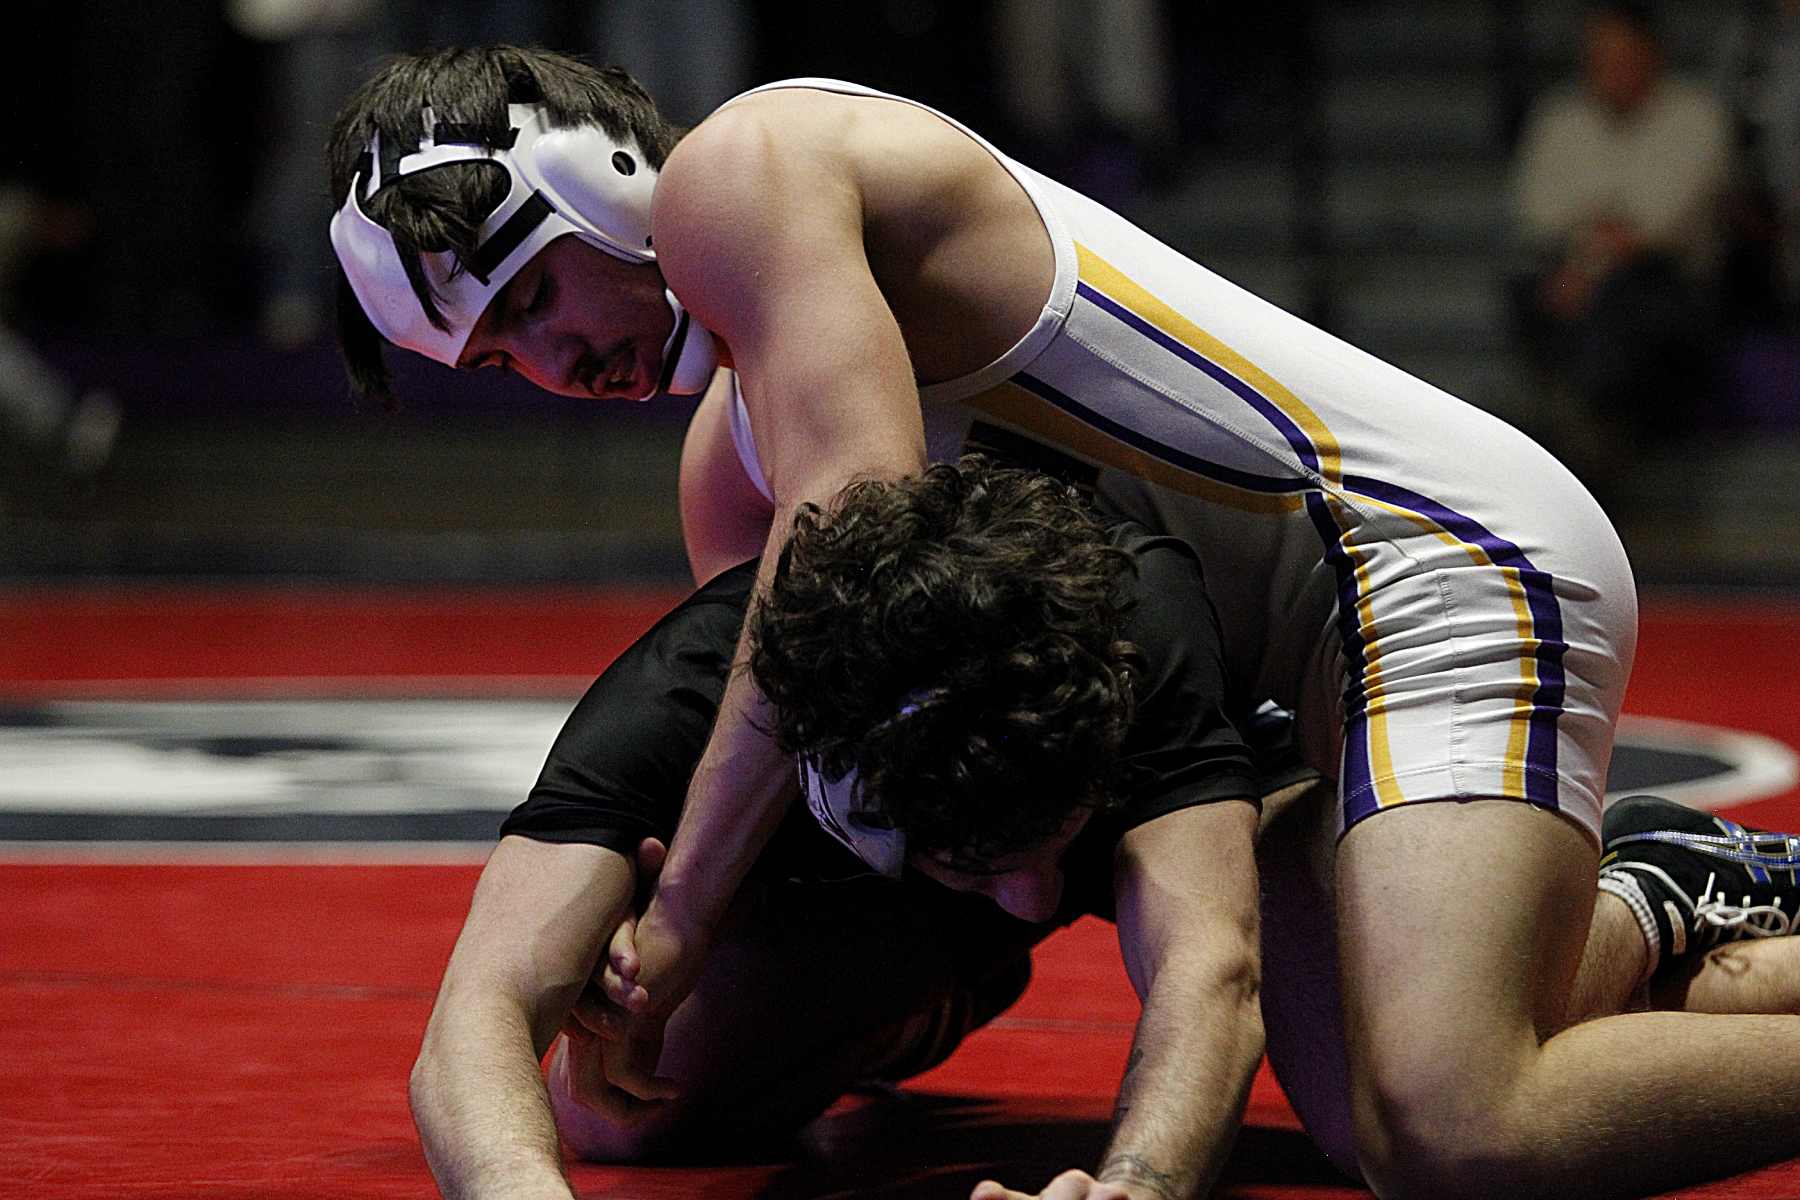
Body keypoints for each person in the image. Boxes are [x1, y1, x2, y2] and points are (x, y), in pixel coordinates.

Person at [328, 46, 1793, 1198]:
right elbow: (846, 772)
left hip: (1428, 563)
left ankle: (1644, 884)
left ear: (602, 179)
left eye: (535, 294)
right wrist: (740, 1000)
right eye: (498, 356)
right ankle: (1656, 906)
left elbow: (851, 544)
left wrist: (679, 922)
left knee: (1452, 1123)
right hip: (1247, 688)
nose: (553, 360)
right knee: (1366, 1103)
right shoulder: (733, 462)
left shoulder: (750, 164)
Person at [417, 459, 1800, 1200]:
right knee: (620, 1111)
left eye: (1046, 850)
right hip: (878, 920)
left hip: (1241, 810)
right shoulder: (691, 698)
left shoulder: (1127, 619)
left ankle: (1646, 885)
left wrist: (1135, 1185)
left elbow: (1208, 965)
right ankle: (903, 1003)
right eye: (986, 868)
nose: (1037, 901)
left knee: (1387, 1107)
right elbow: (476, 1010)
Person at [1508, 1, 1735, 473]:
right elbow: (1536, 211)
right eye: (1601, 56)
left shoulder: (1696, 115)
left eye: (1624, 56)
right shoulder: (1560, 118)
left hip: (1668, 287)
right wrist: (1597, 248)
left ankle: (1590, 435)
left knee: (1622, 299)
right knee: (1531, 289)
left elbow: (1665, 221)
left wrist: (1594, 255)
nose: (1612, 69)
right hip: (1568, 277)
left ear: (1653, 55)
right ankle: (1583, 431)